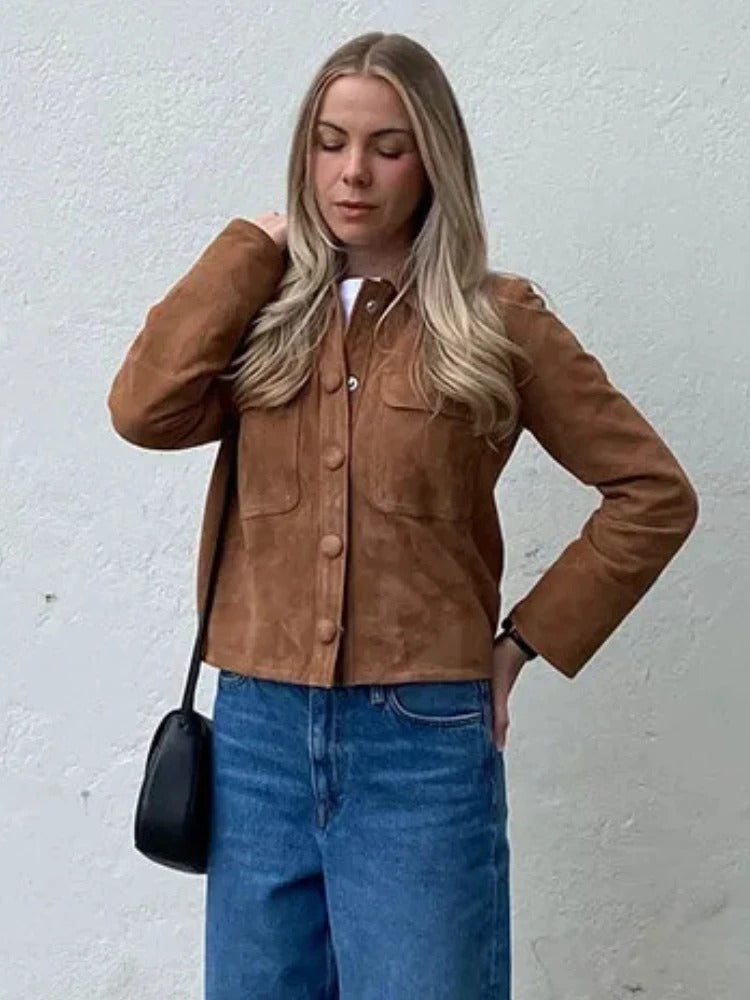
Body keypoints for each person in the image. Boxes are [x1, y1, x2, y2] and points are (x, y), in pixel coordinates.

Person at [107, 31, 698, 1000]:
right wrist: (249, 248)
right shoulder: (266, 316)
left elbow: (653, 493)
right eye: (330, 142)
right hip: (256, 734)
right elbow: (142, 410)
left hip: (420, 742)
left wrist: (524, 643)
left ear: (433, 162)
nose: (353, 172)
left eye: (388, 147)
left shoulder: (495, 320)